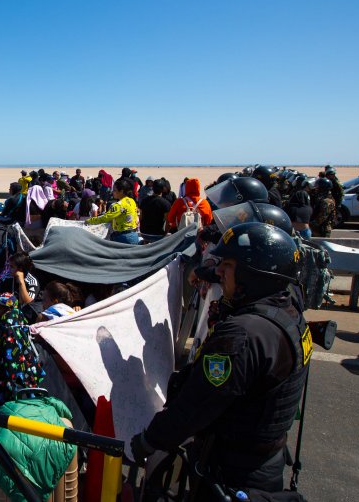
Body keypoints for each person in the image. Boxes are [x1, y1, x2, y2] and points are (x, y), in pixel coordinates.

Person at [131, 223, 312, 496]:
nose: (218, 272)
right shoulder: (288, 315)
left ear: (253, 275)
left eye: (227, 265)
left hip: (231, 471)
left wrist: (147, 441)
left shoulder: (241, 336)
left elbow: (196, 405)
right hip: (264, 459)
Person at [86, 178, 139, 244]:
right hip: (134, 236)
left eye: (114, 190)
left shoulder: (119, 205)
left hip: (123, 238)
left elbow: (105, 218)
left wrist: (89, 221)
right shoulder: (132, 201)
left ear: (121, 191)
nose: (112, 192)